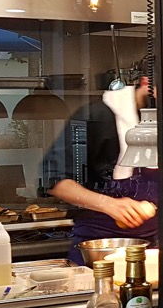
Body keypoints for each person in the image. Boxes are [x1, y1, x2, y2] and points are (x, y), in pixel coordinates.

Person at [42, 63, 157, 266]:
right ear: (146, 83)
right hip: (100, 248)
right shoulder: (95, 116)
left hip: (155, 249)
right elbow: (54, 180)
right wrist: (108, 204)